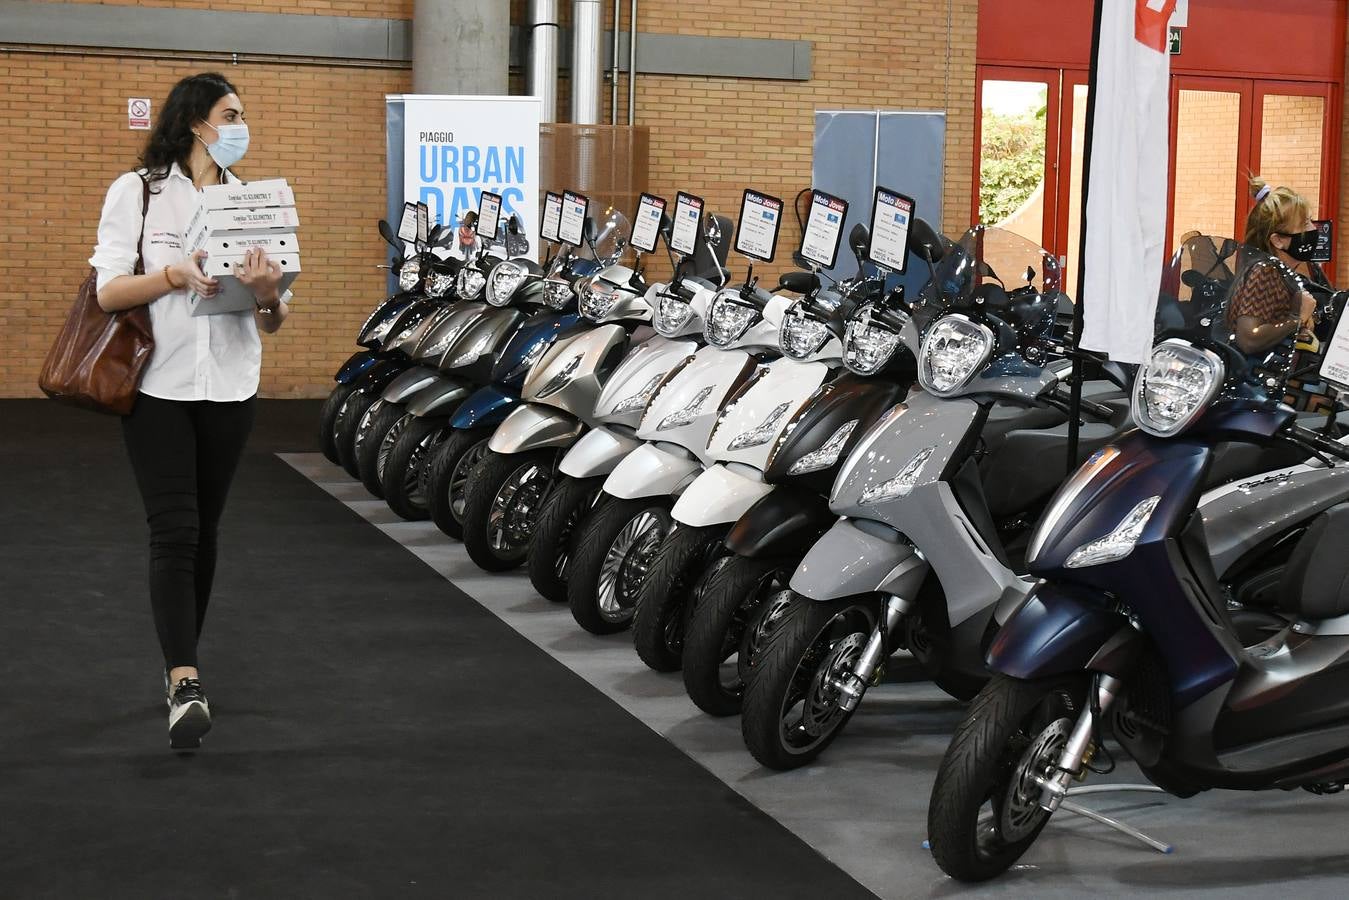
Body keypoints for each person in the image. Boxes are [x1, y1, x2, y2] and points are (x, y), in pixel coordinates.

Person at [89, 72, 291, 750]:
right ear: (196, 121)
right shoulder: (139, 192)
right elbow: (111, 292)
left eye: (241, 115)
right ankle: (184, 677)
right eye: (230, 114)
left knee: (204, 532)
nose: (240, 126)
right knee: (173, 531)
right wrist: (174, 276)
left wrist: (267, 293)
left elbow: (274, 319)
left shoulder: (250, 200)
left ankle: (183, 663)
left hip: (230, 386)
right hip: (158, 388)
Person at [1227, 177, 1322, 357]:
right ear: (1278, 240)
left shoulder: (1282, 272)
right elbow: (1248, 339)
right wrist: (1298, 318)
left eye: (1310, 221)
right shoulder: (1265, 271)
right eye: (1304, 224)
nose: (1313, 229)